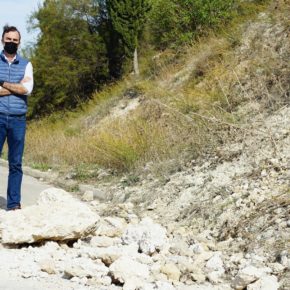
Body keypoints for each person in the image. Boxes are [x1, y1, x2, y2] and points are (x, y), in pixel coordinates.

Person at [0, 25, 34, 210]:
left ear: (19, 43)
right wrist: (16, 87)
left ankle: (13, 204)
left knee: (16, 164)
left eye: (15, 40)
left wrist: (3, 83)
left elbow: (27, 90)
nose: (11, 42)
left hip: (18, 120)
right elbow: (20, 88)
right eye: (8, 39)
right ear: (2, 40)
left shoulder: (26, 64)